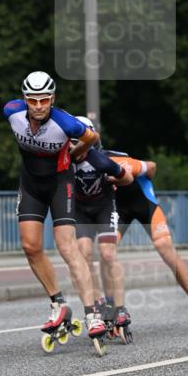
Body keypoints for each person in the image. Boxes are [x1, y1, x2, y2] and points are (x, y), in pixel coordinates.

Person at [3, 71, 107, 345]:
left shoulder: (66, 123)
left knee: (66, 247)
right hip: (31, 184)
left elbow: (92, 138)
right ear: (25, 99)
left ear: (53, 98)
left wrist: (73, 154)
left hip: (61, 184)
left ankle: (92, 314)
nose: (38, 106)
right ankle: (58, 304)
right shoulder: (12, 112)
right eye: (33, 100)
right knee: (30, 246)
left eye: (44, 100)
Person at [106, 152, 188, 333]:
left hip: (143, 203)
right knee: (107, 252)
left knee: (165, 248)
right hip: (119, 209)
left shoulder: (117, 161)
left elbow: (151, 166)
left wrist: (146, 181)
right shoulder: (78, 168)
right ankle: (113, 310)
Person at [71, 115, 134, 338]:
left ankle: (119, 307)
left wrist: (112, 181)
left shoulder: (102, 160)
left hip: (104, 208)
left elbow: (128, 179)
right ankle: (97, 303)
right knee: (85, 254)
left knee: (107, 254)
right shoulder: (66, 161)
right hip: (81, 212)